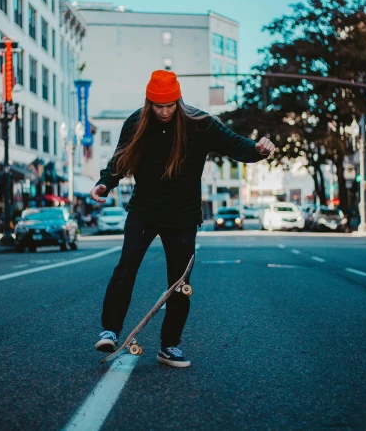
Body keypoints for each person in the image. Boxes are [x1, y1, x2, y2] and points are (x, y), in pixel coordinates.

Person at [90, 70, 275, 368]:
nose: (163, 112)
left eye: (169, 106)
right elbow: (119, 160)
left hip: (182, 216)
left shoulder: (199, 124)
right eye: (157, 106)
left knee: (179, 283)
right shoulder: (136, 123)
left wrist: (259, 150)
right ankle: (110, 329)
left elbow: (235, 145)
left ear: (178, 101)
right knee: (125, 268)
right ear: (149, 102)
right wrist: (104, 183)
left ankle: (169, 346)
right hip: (144, 211)